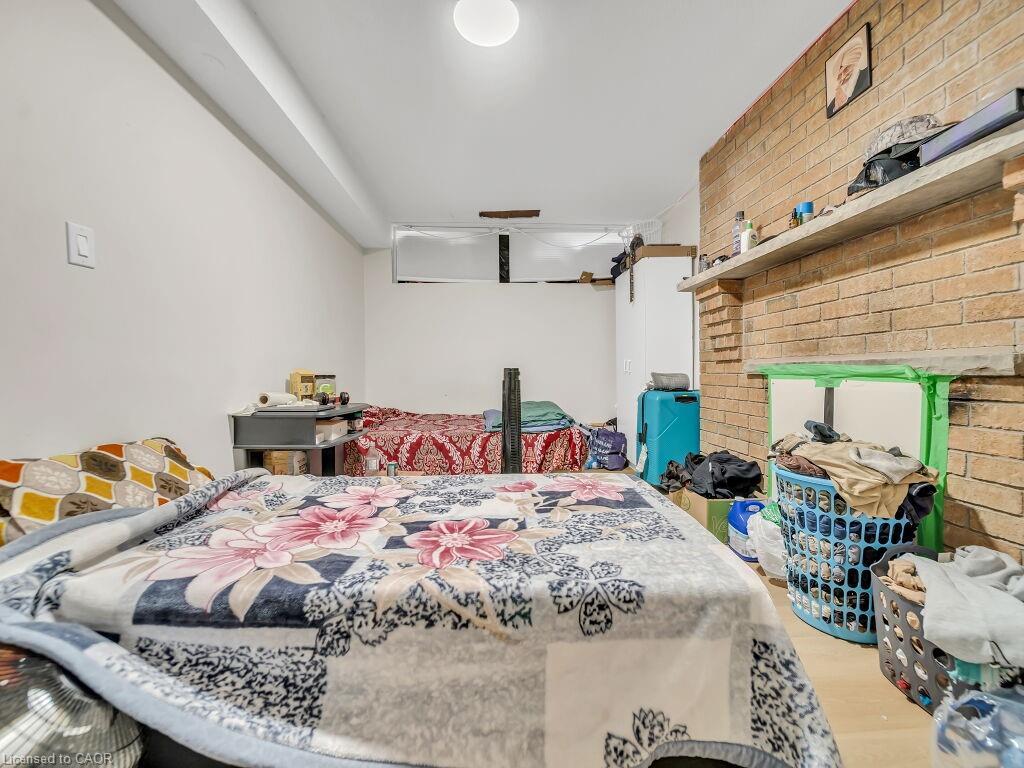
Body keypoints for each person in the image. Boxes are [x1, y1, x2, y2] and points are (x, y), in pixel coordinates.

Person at [827, 33, 870, 117]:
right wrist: (836, 105)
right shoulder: (832, 104)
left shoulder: (866, 77)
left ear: (854, 65)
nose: (842, 76)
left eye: (846, 69)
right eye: (841, 70)